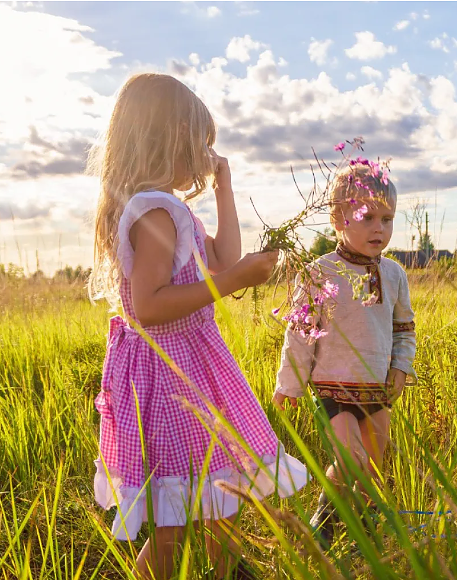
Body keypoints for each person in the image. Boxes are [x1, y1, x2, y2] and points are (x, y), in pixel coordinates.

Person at [88, 72, 307, 579]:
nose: (206, 156)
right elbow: (149, 305)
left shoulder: (174, 210)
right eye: (199, 144)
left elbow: (226, 256)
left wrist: (225, 188)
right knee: (176, 523)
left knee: (216, 501)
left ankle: (229, 568)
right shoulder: (154, 213)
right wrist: (231, 282)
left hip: (188, 367)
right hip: (169, 377)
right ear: (167, 141)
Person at [272, 163, 416, 546]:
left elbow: (404, 328)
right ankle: (324, 525)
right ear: (337, 219)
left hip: (377, 390)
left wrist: (401, 366)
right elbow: (301, 332)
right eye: (367, 217)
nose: (379, 229)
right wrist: (290, 384)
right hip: (332, 387)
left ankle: (362, 534)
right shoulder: (320, 272)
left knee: (371, 467)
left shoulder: (395, 274)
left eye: (387, 219)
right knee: (350, 458)